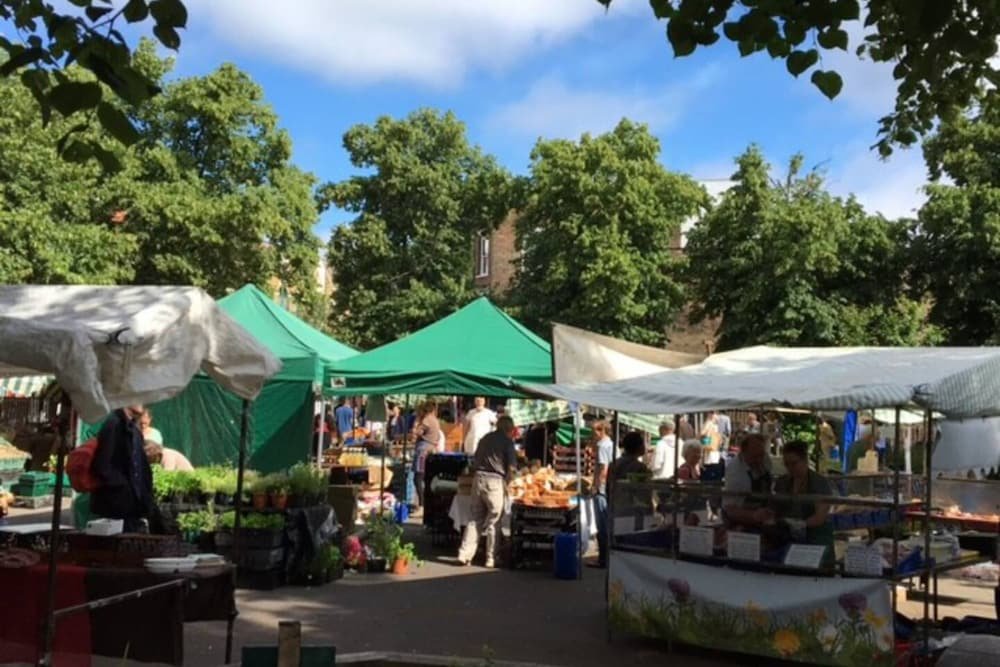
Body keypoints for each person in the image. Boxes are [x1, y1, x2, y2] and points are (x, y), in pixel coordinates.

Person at [457, 416, 518, 567]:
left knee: (474, 519)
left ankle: (464, 554)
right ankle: (490, 558)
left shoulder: (485, 438)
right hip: (495, 481)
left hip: (478, 479)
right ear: (509, 429)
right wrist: (510, 482)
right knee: (494, 521)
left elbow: (475, 460)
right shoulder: (507, 442)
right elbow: (511, 468)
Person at [91, 405, 153, 533]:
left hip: (132, 509)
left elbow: (141, 470)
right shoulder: (114, 424)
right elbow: (102, 465)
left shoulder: (134, 430)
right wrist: (123, 487)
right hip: (116, 509)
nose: (143, 402)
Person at [771, 440, 837, 559]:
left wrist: (800, 524)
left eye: (794, 463)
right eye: (786, 464)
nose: (790, 468)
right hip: (788, 537)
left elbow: (819, 517)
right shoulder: (782, 482)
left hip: (815, 538)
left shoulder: (819, 482)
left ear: (805, 460)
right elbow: (776, 509)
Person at [722, 433, 774, 529]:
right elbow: (730, 509)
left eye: (761, 455)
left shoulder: (765, 459)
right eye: (754, 456)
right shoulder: (735, 471)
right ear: (743, 452)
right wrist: (753, 515)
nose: (759, 460)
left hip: (763, 519)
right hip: (740, 522)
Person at [590, 419, 614, 569]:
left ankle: (603, 559)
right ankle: (605, 557)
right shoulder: (611, 444)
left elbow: (603, 469)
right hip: (608, 488)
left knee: (602, 524)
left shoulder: (602, 446)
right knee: (606, 523)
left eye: (594, 431)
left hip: (602, 490)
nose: (593, 435)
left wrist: (596, 486)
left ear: (601, 431)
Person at [411, 400, 441, 511]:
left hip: (423, 450)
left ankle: (422, 504)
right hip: (430, 448)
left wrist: (416, 425)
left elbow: (417, 432)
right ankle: (423, 503)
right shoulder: (435, 420)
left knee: (418, 477)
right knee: (424, 477)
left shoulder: (427, 419)